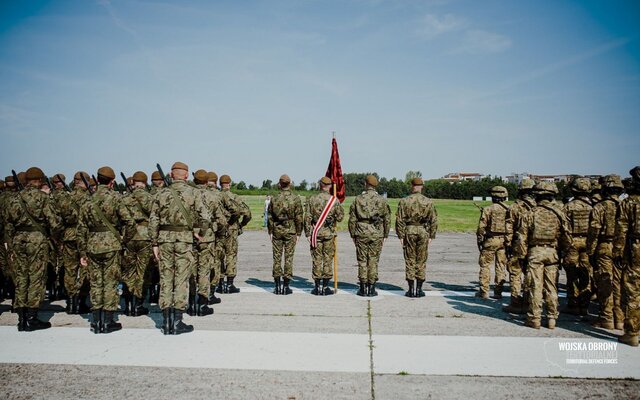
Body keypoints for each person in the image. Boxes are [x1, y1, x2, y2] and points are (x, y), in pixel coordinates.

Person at [149, 162, 211, 335]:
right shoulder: (194, 193)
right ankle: (177, 321)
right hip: (184, 240)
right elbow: (205, 217)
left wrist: (154, 242)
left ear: (170, 174)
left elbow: (153, 220)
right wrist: (200, 233)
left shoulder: (161, 194)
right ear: (186, 176)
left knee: (166, 279)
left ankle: (166, 321)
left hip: (164, 241)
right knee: (181, 279)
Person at [77, 166, 136, 334]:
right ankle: (108, 321)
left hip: (93, 245)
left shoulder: (88, 199)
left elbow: (81, 229)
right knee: (110, 282)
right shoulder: (116, 198)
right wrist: (124, 240)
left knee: (96, 282)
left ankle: (96, 321)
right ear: (112, 182)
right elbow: (129, 222)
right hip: (112, 245)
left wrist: (82, 252)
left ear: (97, 179)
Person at [4, 167, 63, 331]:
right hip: (37, 240)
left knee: (21, 277)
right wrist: (54, 237)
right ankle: (32, 317)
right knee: (36, 278)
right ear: (39, 180)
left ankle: (21, 319)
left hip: (18, 240)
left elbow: (8, 224)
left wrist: (11, 243)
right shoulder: (42, 198)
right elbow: (54, 222)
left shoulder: (15, 198)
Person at [513, 182, 572, 329]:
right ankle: (552, 318)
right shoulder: (559, 214)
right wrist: (563, 252)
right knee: (552, 287)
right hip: (552, 253)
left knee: (535, 286)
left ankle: (534, 318)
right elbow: (567, 236)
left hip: (535, 252)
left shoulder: (529, 213)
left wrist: (521, 255)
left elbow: (522, 237)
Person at [587, 174, 625, 330]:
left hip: (605, 246)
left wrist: (591, 251)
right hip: (622, 247)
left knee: (604, 282)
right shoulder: (625, 205)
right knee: (620, 283)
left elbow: (594, 231)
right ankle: (620, 318)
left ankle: (606, 318)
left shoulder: (600, 207)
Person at [189, 169, 225, 315]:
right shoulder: (213, 196)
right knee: (204, 270)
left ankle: (191, 304)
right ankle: (202, 304)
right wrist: (220, 233)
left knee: (191, 271)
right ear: (206, 181)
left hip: (190, 237)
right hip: (207, 237)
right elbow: (221, 219)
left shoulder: (188, 194)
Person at [348, 175, 390, 297]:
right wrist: (385, 234)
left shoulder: (358, 199)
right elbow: (387, 218)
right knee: (373, 260)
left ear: (366, 184)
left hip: (361, 231)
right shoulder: (382, 200)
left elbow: (352, 219)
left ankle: (362, 288)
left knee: (362, 260)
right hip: (376, 232)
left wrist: (353, 234)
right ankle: (371, 288)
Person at [395, 177, 437, 297]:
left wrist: (400, 235)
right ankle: (419, 289)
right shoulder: (428, 201)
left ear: (412, 186)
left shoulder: (404, 201)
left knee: (410, 259)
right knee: (421, 260)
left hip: (409, 231)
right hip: (423, 231)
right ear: (422, 187)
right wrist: (431, 236)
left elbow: (400, 219)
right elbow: (433, 220)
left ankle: (410, 289)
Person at [57, 171, 92, 314]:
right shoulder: (89, 198)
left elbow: (58, 221)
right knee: (85, 269)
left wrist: (60, 238)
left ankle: (71, 303)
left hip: (69, 236)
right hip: (85, 236)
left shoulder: (66, 198)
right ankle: (82, 301)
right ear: (86, 182)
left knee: (70, 270)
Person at [614, 166, 640, 346]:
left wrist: (617, 252)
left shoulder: (630, 203)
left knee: (633, 291)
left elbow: (622, 230)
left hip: (636, 247)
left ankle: (632, 332)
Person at [304, 176, 344, 295]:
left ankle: (317, 287)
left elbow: (307, 217)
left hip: (315, 233)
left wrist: (307, 233)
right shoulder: (334, 200)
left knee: (316, 259)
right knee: (327, 259)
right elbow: (341, 217)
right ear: (330, 186)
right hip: (329, 234)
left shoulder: (312, 199)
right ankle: (326, 287)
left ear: (320, 185)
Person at [121, 171, 153, 317]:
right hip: (145, 236)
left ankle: (127, 303)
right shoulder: (149, 197)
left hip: (128, 236)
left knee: (129, 271)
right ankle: (137, 304)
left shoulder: (125, 198)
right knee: (143, 271)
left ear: (133, 183)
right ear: (145, 183)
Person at [502, 179, 536, 313]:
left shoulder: (514, 207)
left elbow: (509, 228)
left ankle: (516, 302)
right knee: (531, 273)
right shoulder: (538, 206)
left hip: (518, 244)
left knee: (515, 272)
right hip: (534, 245)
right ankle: (529, 302)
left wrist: (508, 244)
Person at [562, 177, 593, 316]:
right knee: (586, 273)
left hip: (572, 241)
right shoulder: (593, 206)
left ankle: (573, 304)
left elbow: (564, 228)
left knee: (572, 274)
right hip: (588, 241)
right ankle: (585, 304)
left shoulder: (568, 206)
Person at [215, 175, 251, 294]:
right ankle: (230, 284)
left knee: (219, 256)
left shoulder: (216, 196)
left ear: (220, 184)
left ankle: (220, 284)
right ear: (229, 184)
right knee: (231, 255)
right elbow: (247, 214)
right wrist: (240, 225)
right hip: (232, 229)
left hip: (219, 229)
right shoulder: (235, 197)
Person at [268, 174, 304, 295]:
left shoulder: (274, 198)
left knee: (276, 258)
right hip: (290, 230)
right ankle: (286, 286)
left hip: (277, 230)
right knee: (289, 258)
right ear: (290, 183)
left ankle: (277, 285)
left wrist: (270, 231)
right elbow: (299, 217)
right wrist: (299, 232)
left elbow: (270, 217)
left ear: (280, 184)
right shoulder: (295, 198)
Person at [476, 186, 512, 299]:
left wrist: (480, 241)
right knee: (501, 266)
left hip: (491, 240)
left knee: (485, 266)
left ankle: (484, 291)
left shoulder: (488, 209)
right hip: (504, 241)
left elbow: (481, 227)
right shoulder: (509, 209)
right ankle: (498, 292)